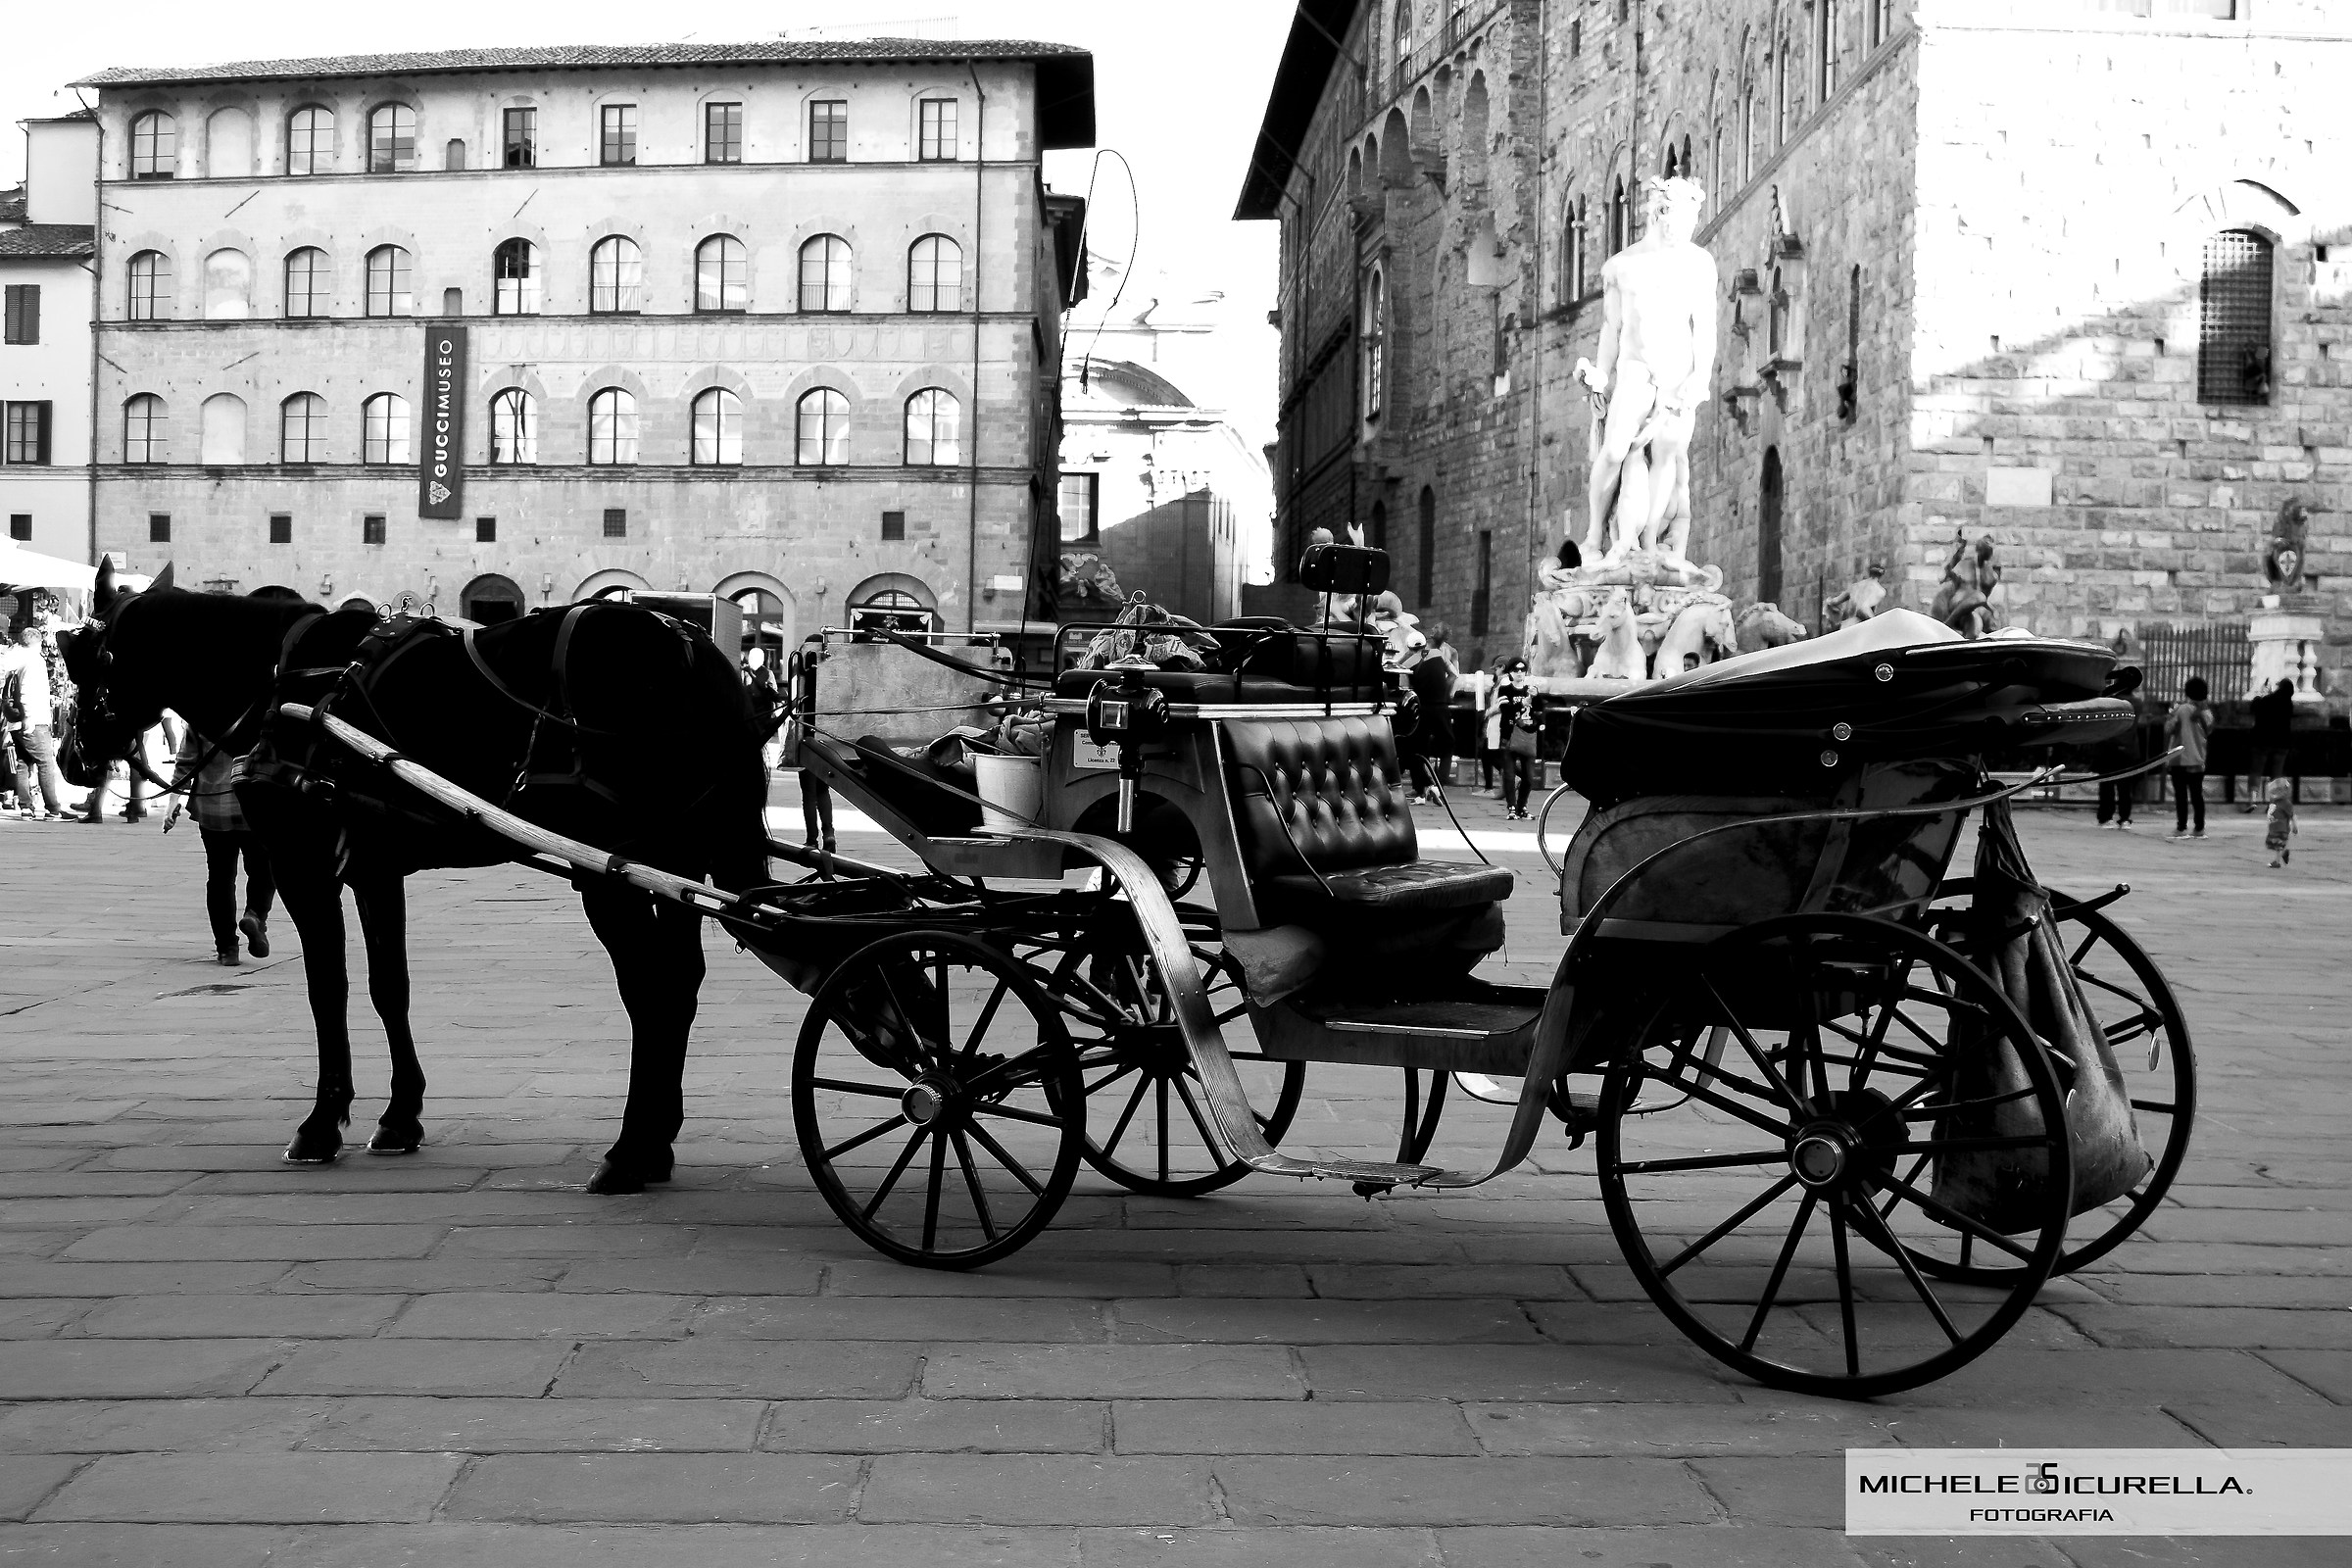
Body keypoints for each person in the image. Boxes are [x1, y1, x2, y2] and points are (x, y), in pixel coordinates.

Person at [166, 726, 275, 964]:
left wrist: (172, 803)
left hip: (212, 808)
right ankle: (255, 915)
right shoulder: (262, 715)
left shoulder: (200, 719)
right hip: (255, 809)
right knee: (263, 870)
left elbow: (185, 764)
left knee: (220, 878)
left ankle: (227, 948)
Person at [1, 622, 74, 820]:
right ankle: (53, 808)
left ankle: (25, 807)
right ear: (37, 643)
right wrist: (29, 719)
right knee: (46, 763)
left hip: (14, 721)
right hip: (33, 720)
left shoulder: (12, 659)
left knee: (24, 762)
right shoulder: (34, 661)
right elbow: (27, 692)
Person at [1404, 636, 1454, 803]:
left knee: (1417, 748)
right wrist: (1444, 693)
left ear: (1410, 647)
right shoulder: (1438, 654)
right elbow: (1454, 675)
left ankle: (1421, 788)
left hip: (1421, 707)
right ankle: (1439, 785)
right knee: (1447, 745)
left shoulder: (1407, 663)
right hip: (1441, 706)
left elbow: (1406, 689)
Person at [2165, 675, 2215, 841]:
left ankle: (2181, 828)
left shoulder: (2182, 709)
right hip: (2198, 759)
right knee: (2196, 795)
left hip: (2180, 758)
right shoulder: (2207, 713)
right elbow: (2210, 731)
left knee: (2181, 795)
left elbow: (2169, 729)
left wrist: (2170, 715)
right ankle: (2199, 828)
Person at [1496, 659, 1543, 819]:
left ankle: (1522, 806)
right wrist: (1521, 703)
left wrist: (1536, 698)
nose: (1519, 673)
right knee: (1509, 775)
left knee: (1529, 778)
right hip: (1509, 736)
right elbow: (1505, 709)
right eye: (1516, 670)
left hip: (1527, 736)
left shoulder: (1531, 689)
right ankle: (1512, 807)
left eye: (1522, 670)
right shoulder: (1505, 689)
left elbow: (1539, 710)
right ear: (1510, 672)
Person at [2095, 687, 2142, 830]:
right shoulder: (2136, 702)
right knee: (2125, 785)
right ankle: (2125, 817)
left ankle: (2106, 817)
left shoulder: (2110, 701)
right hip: (2128, 747)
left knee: (2107, 783)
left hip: (2109, 744)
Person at [2245, 677, 2294, 813]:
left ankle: (2252, 800)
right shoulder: (2288, 704)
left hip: (2262, 740)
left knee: (2256, 770)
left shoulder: (2266, 700)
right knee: (2277, 774)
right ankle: (2272, 803)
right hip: (2282, 742)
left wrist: (2262, 693)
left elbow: (2254, 707)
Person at [2265, 776, 2297, 869]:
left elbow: (2292, 815)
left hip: (2281, 828)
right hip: (2273, 827)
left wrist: (2295, 826)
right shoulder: (2275, 801)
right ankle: (2284, 853)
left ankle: (2277, 861)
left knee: (2278, 845)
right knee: (2274, 844)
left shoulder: (2286, 803)